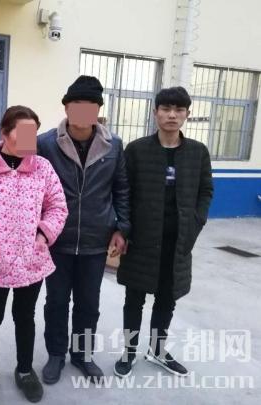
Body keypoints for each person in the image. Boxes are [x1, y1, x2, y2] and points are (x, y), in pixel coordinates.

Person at [0, 106, 68, 404]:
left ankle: (24, 370)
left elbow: (57, 206)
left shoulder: (42, 168)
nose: (31, 138)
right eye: (23, 131)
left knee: (25, 317)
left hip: (32, 261)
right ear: (4, 132)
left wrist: (44, 234)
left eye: (34, 131)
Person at [114, 86, 213, 379]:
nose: (172, 115)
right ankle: (129, 352)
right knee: (134, 299)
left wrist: (196, 222)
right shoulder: (137, 150)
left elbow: (205, 190)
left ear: (187, 114)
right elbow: (123, 192)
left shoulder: (197, 152)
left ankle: (157, 350)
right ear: (155, 112)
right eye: (166, 109)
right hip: (142, 241)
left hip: (178, 241)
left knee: (167, 299)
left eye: (179, 110)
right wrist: (123, 229)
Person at [37, 76, 131, 384]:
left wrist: (121, 227)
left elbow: (122, 189)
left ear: (98, 110)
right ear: (66, 107)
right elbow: (21, 176)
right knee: (56, 302)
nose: (82, 110)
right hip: (56, 239)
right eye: (76, 104)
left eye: (90, 105)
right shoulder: (44, 142)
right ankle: (55, 355)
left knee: (89, 304)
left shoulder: (114, 145)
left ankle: (82, 355)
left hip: (95, 239)